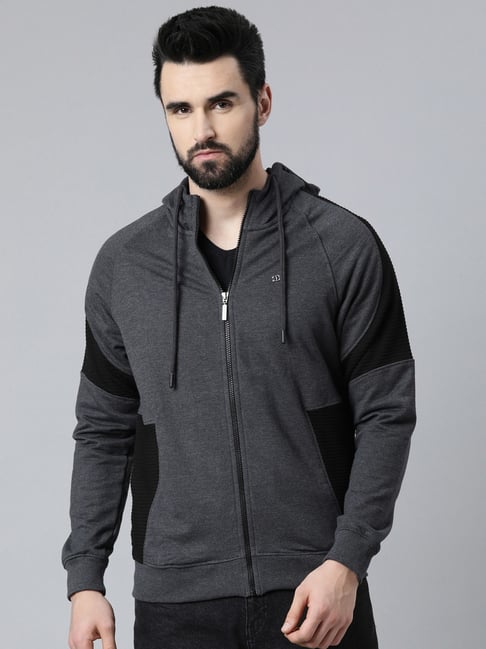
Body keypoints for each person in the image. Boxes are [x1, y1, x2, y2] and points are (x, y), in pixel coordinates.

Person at [62, 6, 416, 649]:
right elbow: (103, 429)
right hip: (176, 604)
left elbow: (386, 413)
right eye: (181, 109)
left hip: (316, 591)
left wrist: (347, 561)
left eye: (221, 103)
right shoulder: (125, 266)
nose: (201, 129)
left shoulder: (340, 245)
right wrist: (86, 579)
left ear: (263, 102)